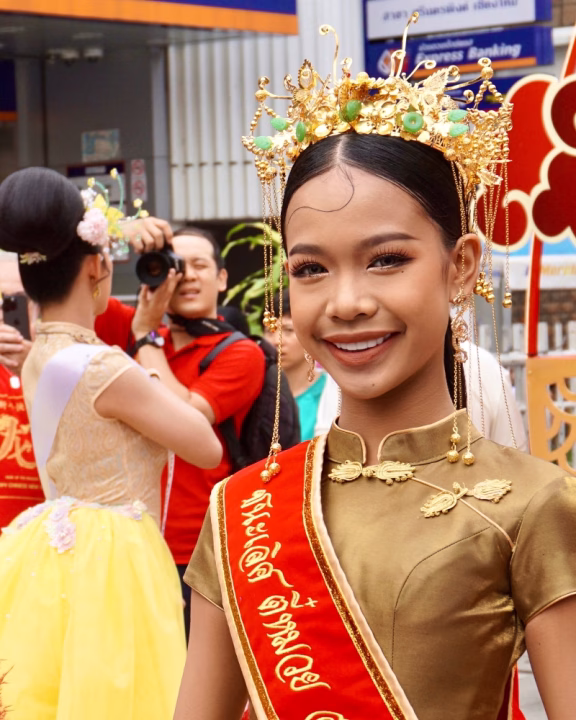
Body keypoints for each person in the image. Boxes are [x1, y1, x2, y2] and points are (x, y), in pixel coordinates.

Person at [174, 29, 576, 720]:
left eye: (386, 258)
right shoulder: (242, 509)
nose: (347, 301)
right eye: (311, 269)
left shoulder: (533, 503)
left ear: (460, 266)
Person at [0, 167, 223, 719]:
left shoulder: (39, 353)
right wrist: (147, 351)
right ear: (99, 265)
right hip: (114, 557)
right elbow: (205, 447)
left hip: (52, 546)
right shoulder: (103, 366)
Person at [94, 224, 266, 637]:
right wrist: (116, 233)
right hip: (128, 540)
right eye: (175, 265)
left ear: (222, 278)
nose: (187, 275)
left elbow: (184, 417)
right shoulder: (135, 326)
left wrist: (144, 335)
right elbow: (82, 289)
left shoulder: (241, 353)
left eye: (200, 265)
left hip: (197, 552)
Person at [0, 255, 43, 527]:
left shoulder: (68, 367)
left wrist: (38, 369)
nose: (7, 308)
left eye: (19, 298)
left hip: (47, 547)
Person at [265, 289, 339, 440]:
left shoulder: (335, 393)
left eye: (288, 330)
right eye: (270, 331)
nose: (276, 341)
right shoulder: (256, 393)